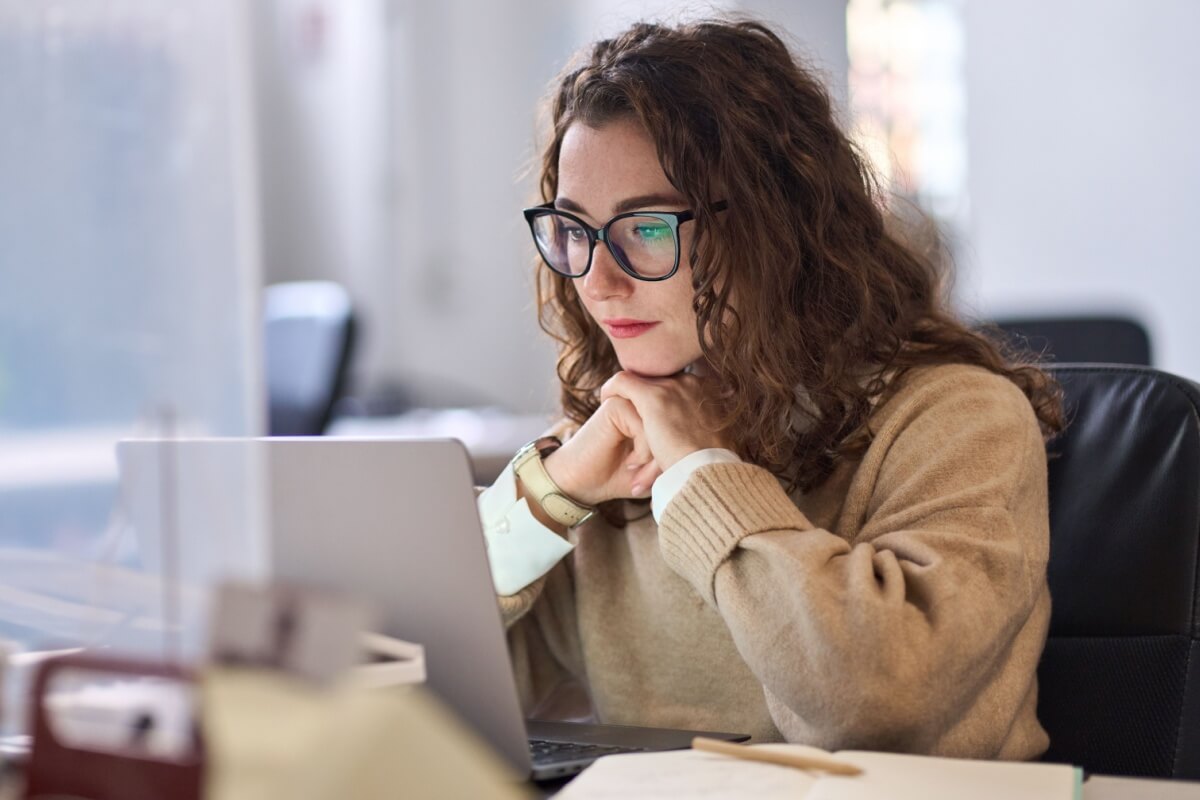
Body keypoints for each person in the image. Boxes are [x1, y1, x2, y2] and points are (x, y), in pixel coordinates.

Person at [475, 17, 1063, 760]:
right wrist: (550, 492)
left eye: (647, 228)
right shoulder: (614, 443)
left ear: (773, 226)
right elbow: (410, 672)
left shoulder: (959, 421)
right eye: (574, 230)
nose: (598, 280)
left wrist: (701, 473)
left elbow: (873, 706)